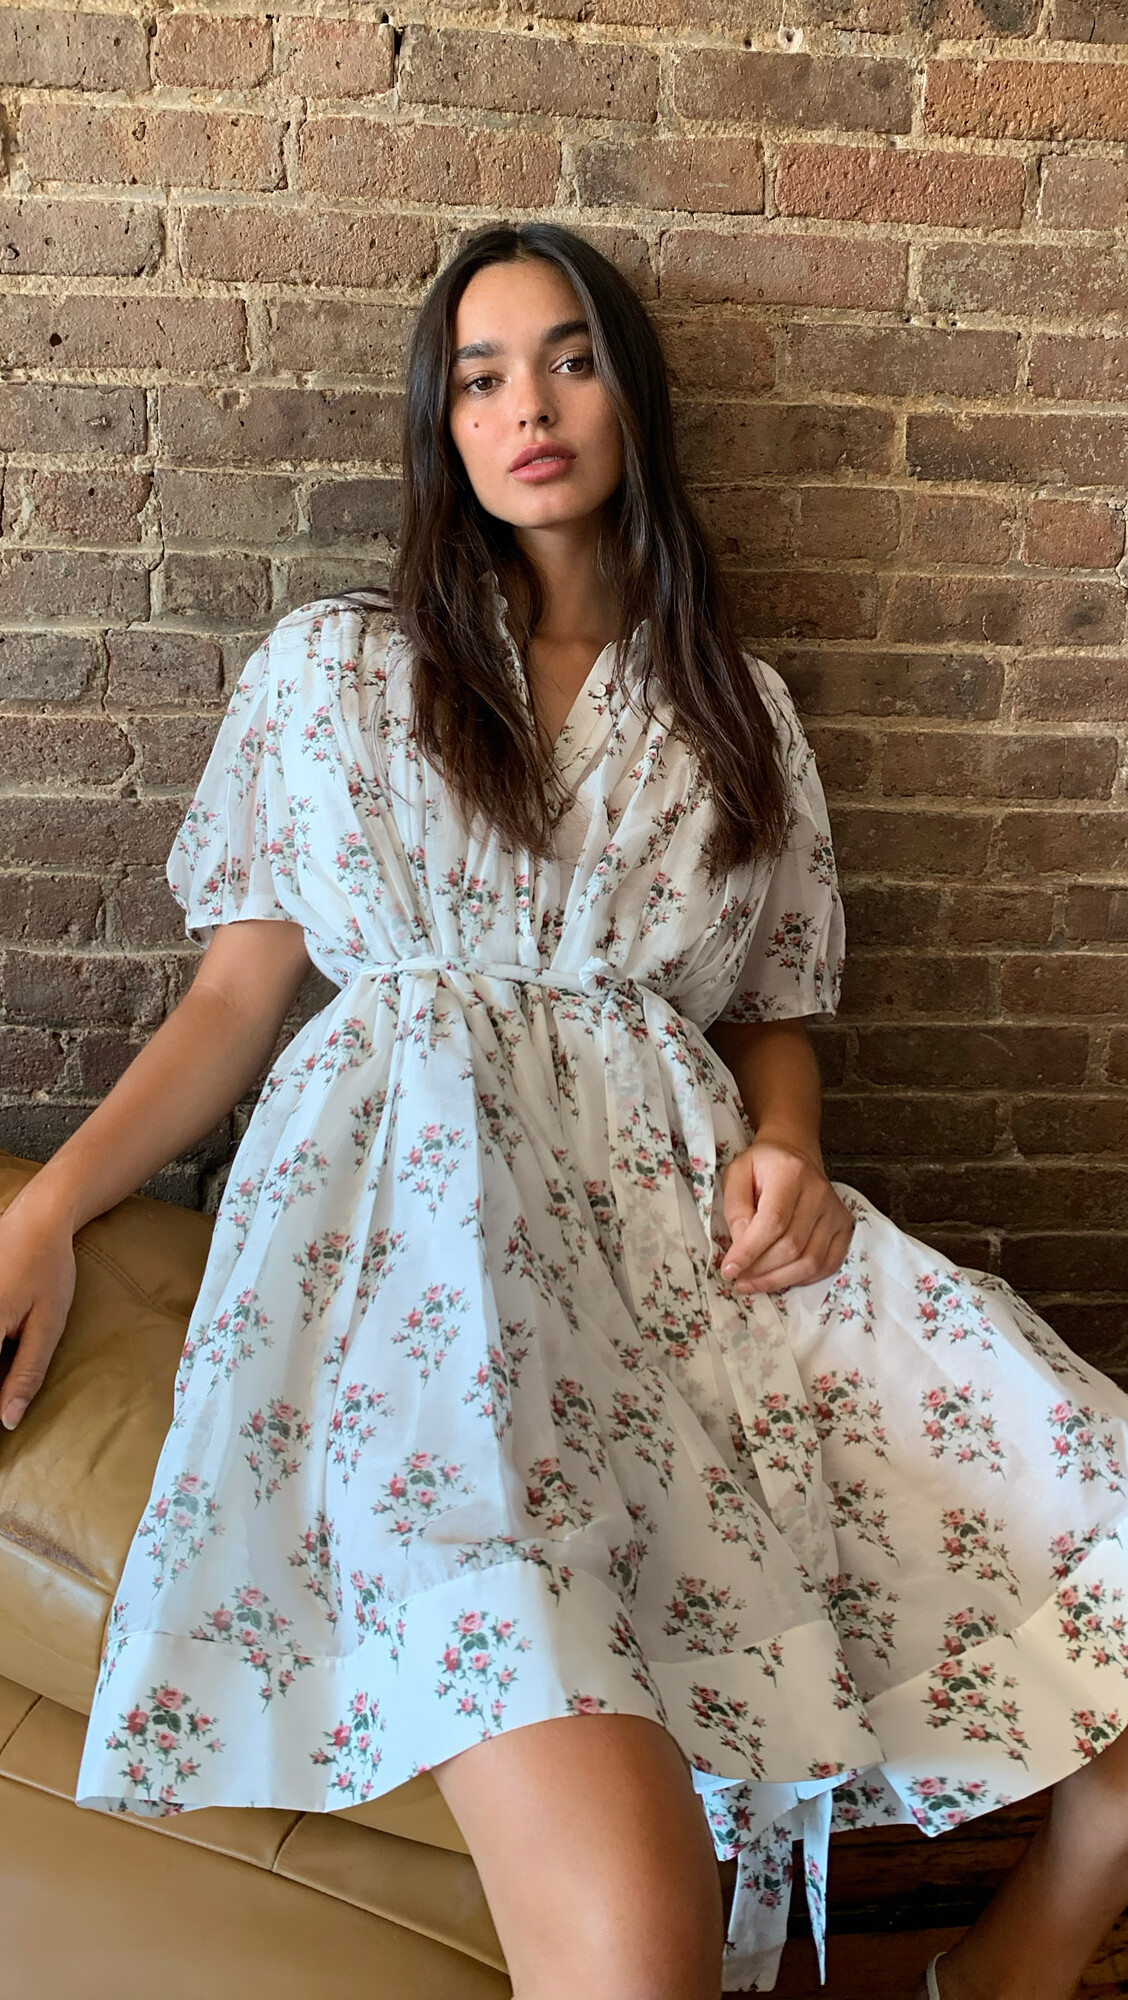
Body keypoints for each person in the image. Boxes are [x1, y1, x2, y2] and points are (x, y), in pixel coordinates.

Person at [1, 220, 1126, 2000]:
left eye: (570, 359)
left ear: (631, 399)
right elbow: (234, 997)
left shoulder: (733, 708)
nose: (527, 407)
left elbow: (769, 1008)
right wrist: (45, 1209)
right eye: (480, 376)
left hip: (686, 1254)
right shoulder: (337, 670)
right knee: (632, 1945)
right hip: (425, 1281)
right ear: (441, 426)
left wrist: (793, 1143)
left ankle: (1016, 1956)